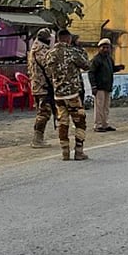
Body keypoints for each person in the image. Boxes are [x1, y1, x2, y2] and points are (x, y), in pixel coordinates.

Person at [46, 29, 91, 161]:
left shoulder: (50, 54)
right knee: (80, 122)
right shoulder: (72, 52)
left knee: (63, 123)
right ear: (68, 39)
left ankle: (65, 152)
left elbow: (48, 73)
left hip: (58, 95)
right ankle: (78, 151)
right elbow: (87, 65)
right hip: (72, 94)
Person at [88, 38, 125, 133]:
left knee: (106, 107)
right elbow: (91, 73)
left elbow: (111, 69)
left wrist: (119, 68)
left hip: (107, 86)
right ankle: (98, 125)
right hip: (99, 87)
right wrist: (93, 86)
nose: (105, 49)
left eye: (107, 47)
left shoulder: (109, 59)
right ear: (99, 48)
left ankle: (105, 124)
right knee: (99, 107)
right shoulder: (96, 60)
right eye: (103, 47)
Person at [27, 28, 54, 148]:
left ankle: (38, 138)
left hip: (37, 85)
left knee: (41, 112)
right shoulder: (41, 50)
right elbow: (47, 67)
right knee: (44, 112)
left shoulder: (34, 48)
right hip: (43, 86)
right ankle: (37, 139)